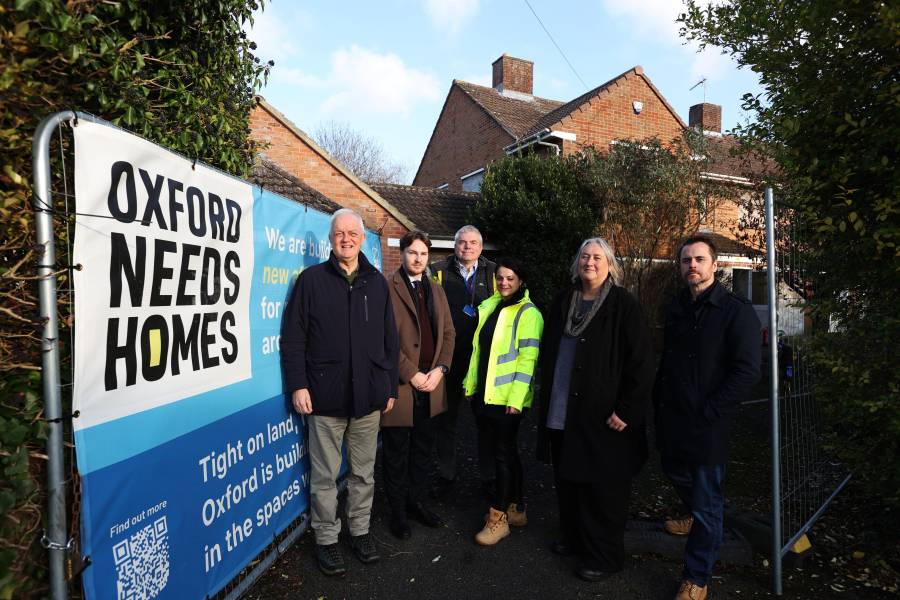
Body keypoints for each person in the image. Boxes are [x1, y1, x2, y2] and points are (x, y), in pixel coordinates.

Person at [281, 208, 399, 577]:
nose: (345, 239)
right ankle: (327, 539)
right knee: (325, 477)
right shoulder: (311, 281)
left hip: (367, 399)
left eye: (352, 233)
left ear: (363, 239)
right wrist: (299, 384)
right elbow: (294, 338)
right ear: (330, 239)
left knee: (364, 474)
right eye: (338, 234)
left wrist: (389, 386)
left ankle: (360, 532)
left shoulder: (377, 283)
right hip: (325, 399)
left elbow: (389, 341)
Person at [536, 237, 655, 581]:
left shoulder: (624, 305)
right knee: (568, 481)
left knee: (602, 489)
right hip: (562, 411)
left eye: (597, 257)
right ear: (577, 263)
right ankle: (574, 539)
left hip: (604, 416)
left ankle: (604, 556)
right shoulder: (563, 301)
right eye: (585, 256)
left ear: (610, 265)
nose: (590, 262)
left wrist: (628, 409)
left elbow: (643, 363)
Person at [654, 235, 761, 600]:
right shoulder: (676, 307)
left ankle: (697, 577)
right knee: (675, 473)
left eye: (699, 259)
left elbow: (747, 371)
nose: (692, 266)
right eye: (686, 260)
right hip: (673, 418)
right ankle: (694, 514)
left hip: (708, 423)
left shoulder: (735, 311)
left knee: (707, 498)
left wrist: (712, 410)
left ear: (715, 265)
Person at [463, 257, 543, 546]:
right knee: (506, 452)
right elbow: (479, 352)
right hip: (486, 394)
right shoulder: (492, 306)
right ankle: (517, 507)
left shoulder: (528, 313)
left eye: (510, 278)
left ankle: (499, 518)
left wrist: (516, 400)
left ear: (521, 280)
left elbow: (527, 359)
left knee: (501, 455)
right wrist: (471, 384)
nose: (504, 282)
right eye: (500, 277)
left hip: (507, 399)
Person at [382, 231, 455, 540]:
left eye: (423, 254)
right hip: (402, 386)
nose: (418, 258)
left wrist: (440, 370)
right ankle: (398, 514)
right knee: (397, 454)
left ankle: (417, 503)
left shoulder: (436, 290)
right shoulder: (387, 288)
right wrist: (411, 373)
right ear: (402, 254)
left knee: (423, 452)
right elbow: (382, 340)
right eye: (412, 252)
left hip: (432, 384)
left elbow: (449, 333)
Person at [430, 225, 497, 498]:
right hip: (448, 360)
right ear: (454, 245)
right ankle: (446, 474)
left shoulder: (495, 273)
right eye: (462, 242)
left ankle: (489, 477)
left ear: (481, 247)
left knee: (486, 422)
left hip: (483, 362)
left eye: (473, 243)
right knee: (446, 421)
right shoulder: (436, 271)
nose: (467, 247)